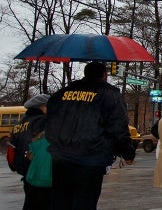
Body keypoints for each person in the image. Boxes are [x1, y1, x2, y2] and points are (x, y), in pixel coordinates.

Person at [45, 61, 136, 209]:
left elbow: (50, 123)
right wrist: (128, 152)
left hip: (61, 159)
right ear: (104, 75)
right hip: (91, 159)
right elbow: (118, 127)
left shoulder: (60, 95)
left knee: (60, 202)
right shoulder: (110, 95)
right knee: (85, 202)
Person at [7, 93, 50, 210]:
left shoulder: (19, 124)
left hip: (26, 172)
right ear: (42, 106)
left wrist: (16, 165)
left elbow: (11, 149)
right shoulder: (43, 121)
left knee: (30, 201)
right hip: (41, 172)